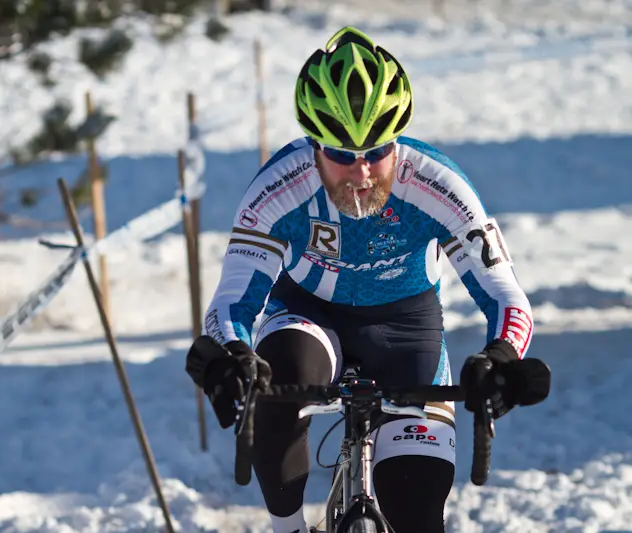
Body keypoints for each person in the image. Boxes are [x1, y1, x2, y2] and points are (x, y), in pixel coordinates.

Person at [185, 26, 541, 533]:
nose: (362, 172)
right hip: (308, 315)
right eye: (341, 155)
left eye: (377, 152)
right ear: (314, 145)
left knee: (416, 509)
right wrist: (233, 355)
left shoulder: (437, 184)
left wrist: (502, 355)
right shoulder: (279, 187)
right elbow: (233, 302)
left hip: (405, 327)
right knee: (274, 381)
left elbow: (505, 294)